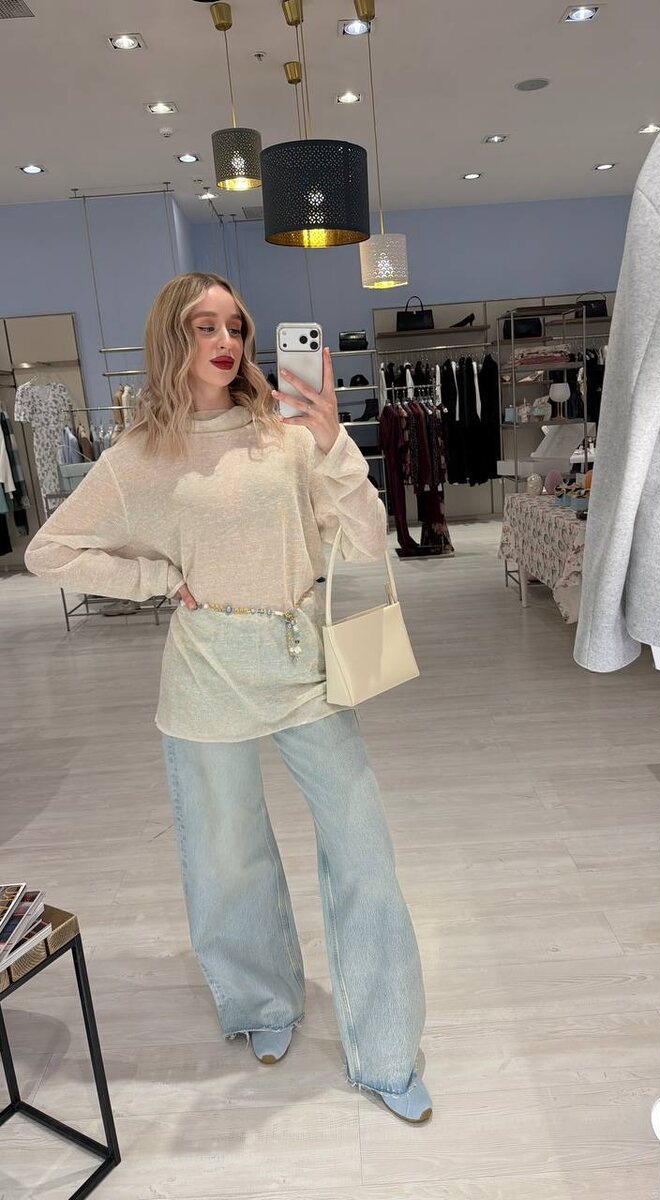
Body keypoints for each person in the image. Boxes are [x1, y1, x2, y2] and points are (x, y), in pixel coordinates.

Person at [23, 272, 431, 1123]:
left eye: (236, 326)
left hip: (303, 660)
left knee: (362, 850)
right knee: (227, 855)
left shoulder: (284, 433)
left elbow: (362, 541)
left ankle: (387, 1047)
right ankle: (261, 1003)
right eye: (204, 325)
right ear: (170, 337)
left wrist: (332, 444)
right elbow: (48, 552)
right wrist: (156, 578)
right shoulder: (136, 459)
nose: (226, 341)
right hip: (207, 669)